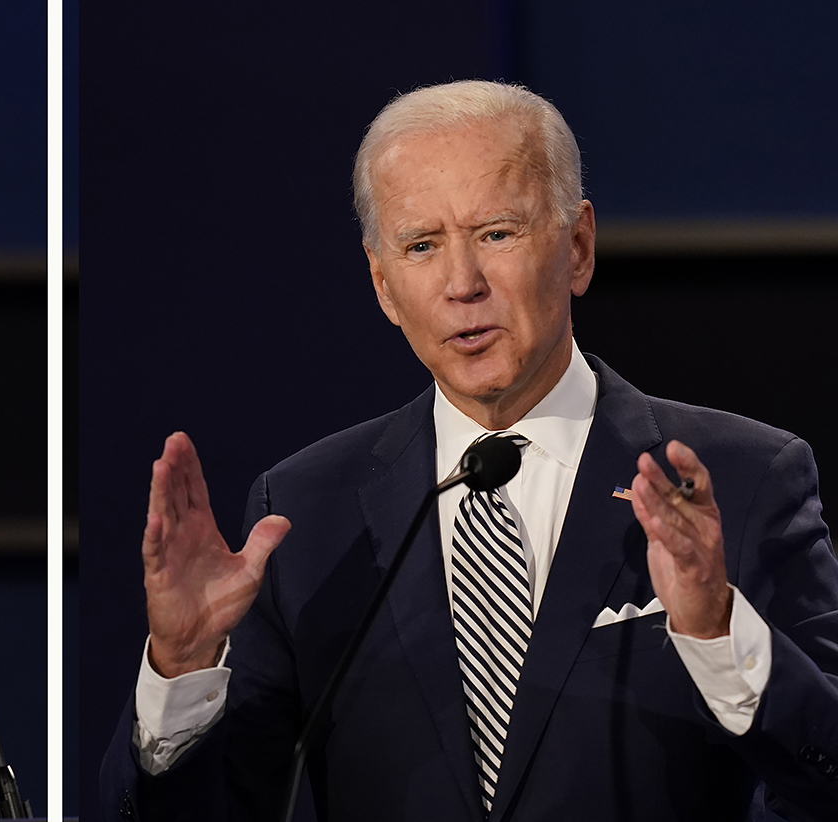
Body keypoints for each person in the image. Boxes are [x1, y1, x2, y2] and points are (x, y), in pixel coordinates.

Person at [102, 80, 838, 821]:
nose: (463, 284)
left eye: (497, 233)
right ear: (384, 286)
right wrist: (183, 671)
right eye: (422, 246)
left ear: (577, 247)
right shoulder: (305, 514)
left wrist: (716, 632)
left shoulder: (742, 480)